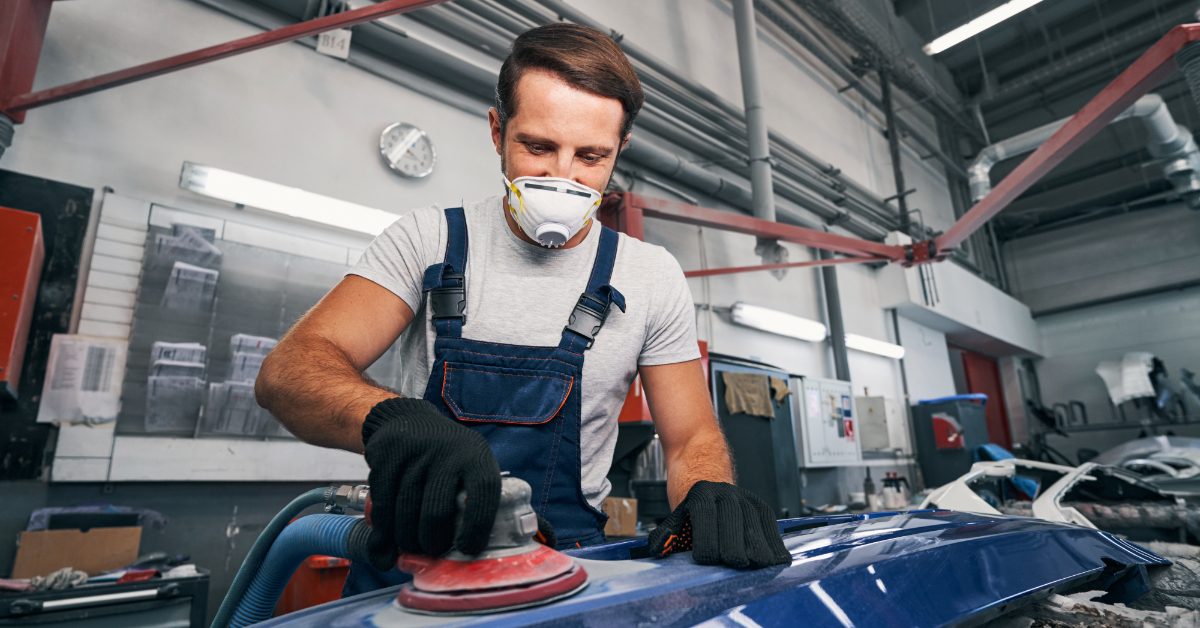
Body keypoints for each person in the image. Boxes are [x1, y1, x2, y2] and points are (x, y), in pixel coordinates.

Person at [255, 22, 789, 595]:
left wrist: (710, 489)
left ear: (620, 150)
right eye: (538, 147)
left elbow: (689, 440)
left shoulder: (650, 276)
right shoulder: (428, 240)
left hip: (571, 572)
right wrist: (390, 420)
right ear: (496, 130)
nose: (562, 177)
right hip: (415, 568)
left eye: (591, 156)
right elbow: (288, 373)